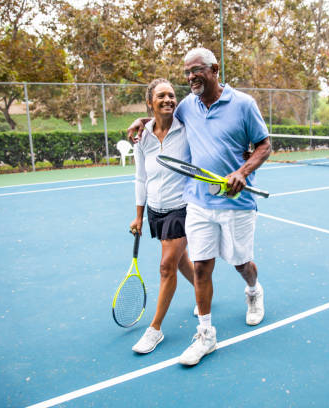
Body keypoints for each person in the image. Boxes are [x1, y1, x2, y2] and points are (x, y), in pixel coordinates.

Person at [128, 48, 271, 366]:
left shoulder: (244, 104)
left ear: (214, 69)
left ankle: (253, 290)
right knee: (202, 267)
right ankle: (206, 334)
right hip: (198, 202)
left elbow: (264, 144)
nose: (191, 76)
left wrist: (242, 172)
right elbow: (161, 117)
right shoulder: (187, 107)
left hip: (237, 203)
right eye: (187, 72)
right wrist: (143, 121)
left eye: (196, 70)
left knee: (240, 263)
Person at [129, 78, 197, 354]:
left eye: (171, 95)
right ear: (150, 102)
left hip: (182, 207)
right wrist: (138, 216)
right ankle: (202, 288)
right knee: (180, 262)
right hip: (155, 211)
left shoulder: (187, 128)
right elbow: (140, 178)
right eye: (161, 96)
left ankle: (154, 329)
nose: (168, 99)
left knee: (166, 266)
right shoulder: (141, 136)